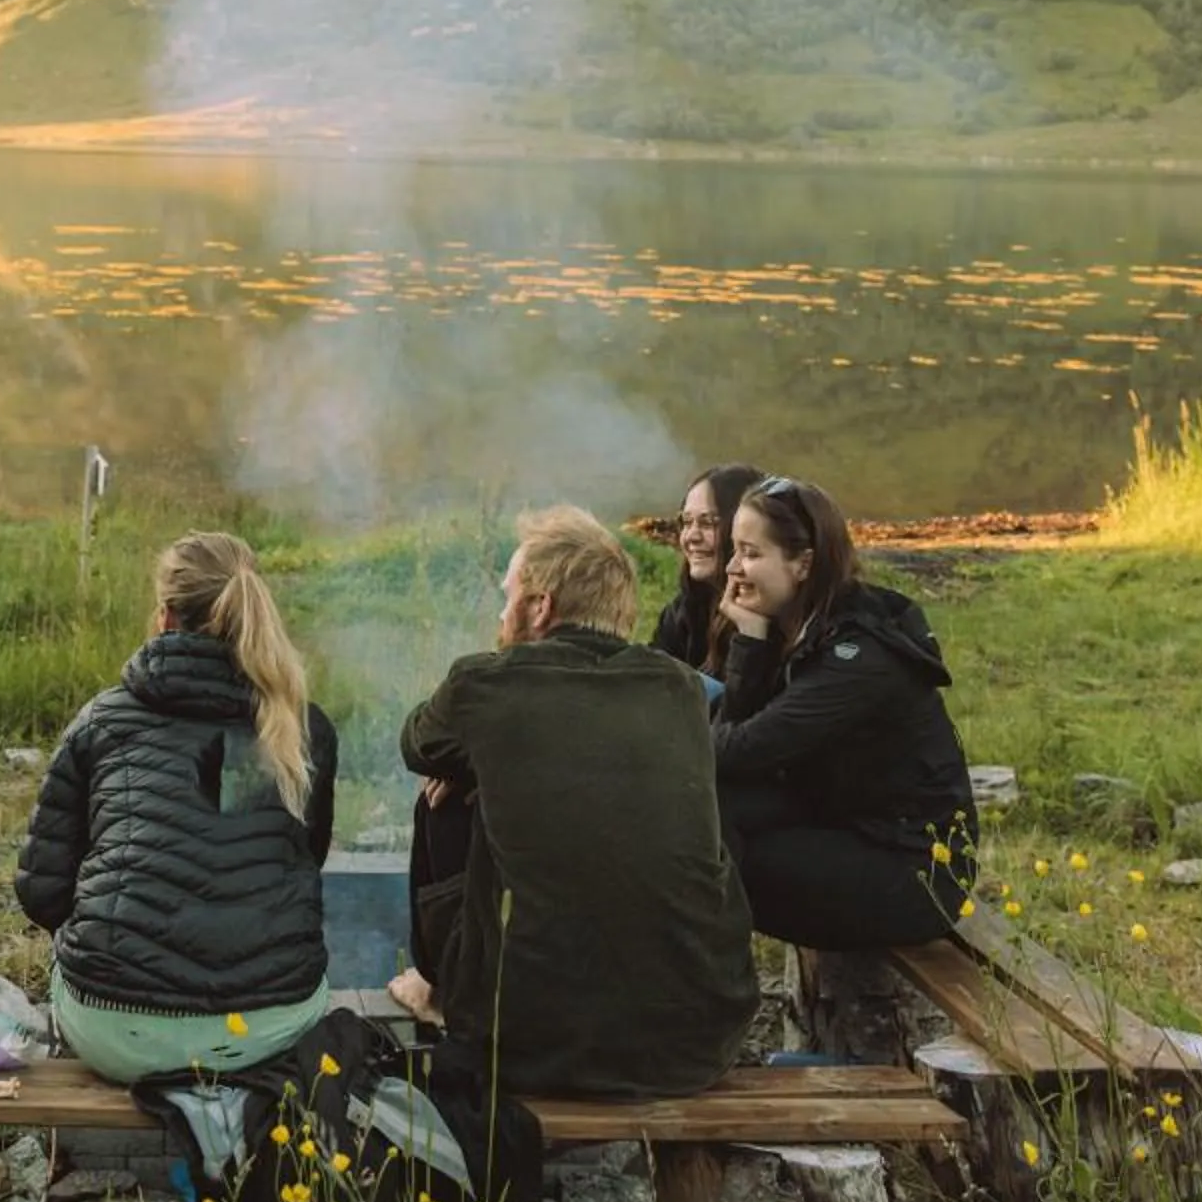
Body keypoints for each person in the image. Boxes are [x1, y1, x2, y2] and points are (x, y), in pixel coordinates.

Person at [388, 506, 756, 1096]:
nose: (501, 614)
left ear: (540, 608)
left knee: (441, 799)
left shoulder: (484, 684)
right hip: (695, 1044)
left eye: (509, 597)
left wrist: (470, 763)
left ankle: (440, 992)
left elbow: (418, 744)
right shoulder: (680, 689)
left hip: (526, 1045)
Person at [15, 531, 337, 1081]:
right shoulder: (302, 728)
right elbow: (307, 859)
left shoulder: (103, 721)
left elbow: (42, 890)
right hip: (269, 1030)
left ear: (165, 616)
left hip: (117, 1031)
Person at [712, 475, 976, 946]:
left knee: (711, 855)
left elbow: (742, 747)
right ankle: (697, 973)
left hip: (915, 873)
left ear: (803, 564)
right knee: (707, 811)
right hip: (846, 823)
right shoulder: (800, 627)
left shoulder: (859, 657)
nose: (732, 567)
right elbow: (732, 743)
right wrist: (750, 638)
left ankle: (702, 986)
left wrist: (670, 743)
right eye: (734, 550)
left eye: (751, 553)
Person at [650, 463, 764, 672]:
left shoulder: (776, 619)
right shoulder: (683, 611)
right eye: (686, 522)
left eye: (708, 523)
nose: (691, 536)